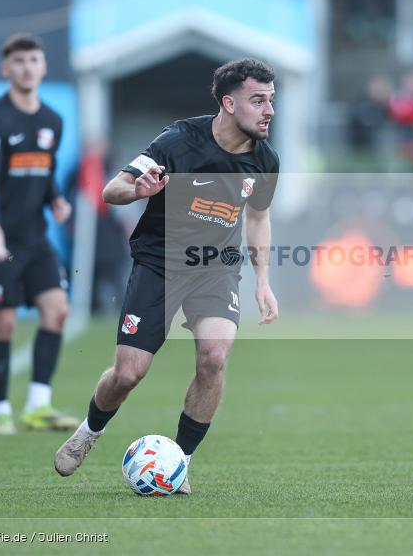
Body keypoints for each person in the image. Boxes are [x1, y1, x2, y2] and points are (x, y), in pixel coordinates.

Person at [54, 59, 280, 495]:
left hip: (215, 270)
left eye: (271, 100)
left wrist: (263, 280)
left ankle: (180, 463)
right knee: (128, 374)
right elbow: (112, 189)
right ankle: (89, 431)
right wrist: (137, 189)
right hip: (159, 265)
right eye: (258, 100)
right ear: (229, 104)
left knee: (214, 358)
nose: (269, 110)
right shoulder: (178, 140)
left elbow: (259, 218)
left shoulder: (265, 159)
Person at [0, 33, 78, 435]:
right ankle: (0, 408)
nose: (27, 67)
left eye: (33, 60)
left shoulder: (53, 120)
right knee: (6, 324)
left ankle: (38, 406)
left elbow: (45, 171)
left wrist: (56, 200)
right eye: (19, 61)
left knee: (57, 310)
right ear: (6, 69)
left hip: (35, 237)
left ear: (43, 66)